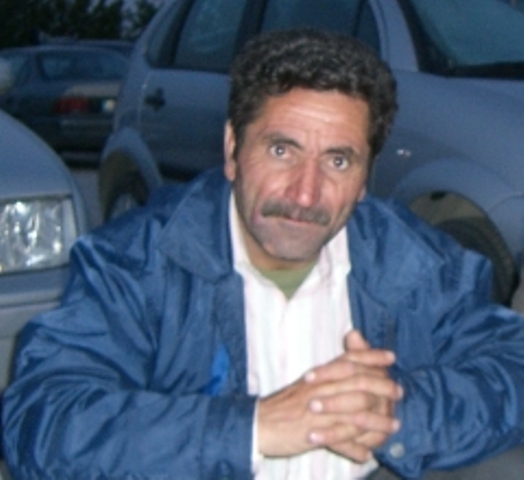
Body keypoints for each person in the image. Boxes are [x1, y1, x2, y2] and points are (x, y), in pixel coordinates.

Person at [3, 28, 524, 480]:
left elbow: (511, 366)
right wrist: (255, 427)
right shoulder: (137, 262)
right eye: (281, 150)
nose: (305, 193)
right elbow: (43, 420)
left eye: (338, 161)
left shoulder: (414, 263)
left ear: (366, 176)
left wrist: (397, 411)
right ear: (233, 150)